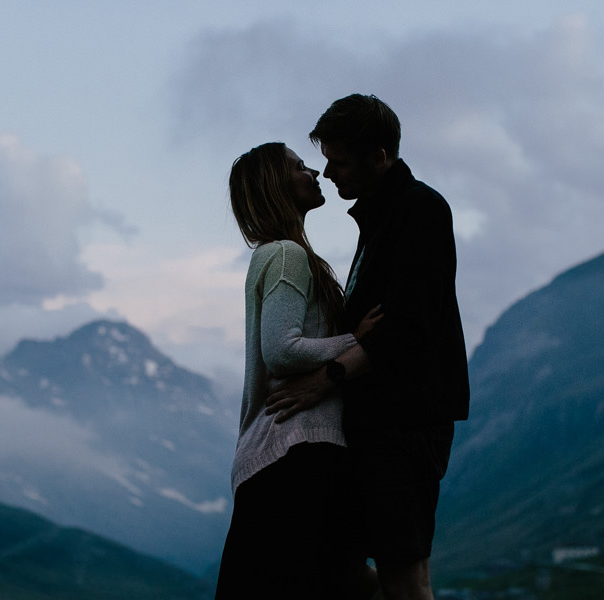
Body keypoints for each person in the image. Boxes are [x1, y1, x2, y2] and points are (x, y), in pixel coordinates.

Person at [265, 94, 470, 600]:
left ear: (378, 157)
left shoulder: (420, 210)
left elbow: (407, 330)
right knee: (346, 569)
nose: (328, 171)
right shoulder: (379, 218)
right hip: (374, 425)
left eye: (338, 160)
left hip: (404, 425)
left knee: (405, 574)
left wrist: (325, 379)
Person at [214, 142, 382, 600]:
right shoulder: (287, 254)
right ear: (276, 185)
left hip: (280, 456)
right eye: (298, 166)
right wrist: (359, 342)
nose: (315, 172)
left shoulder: (277, 254)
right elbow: (282, 351)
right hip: (296, 452)